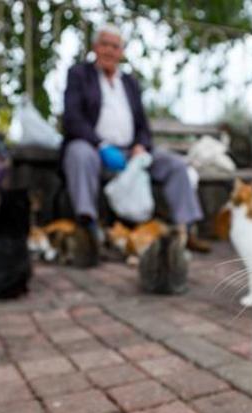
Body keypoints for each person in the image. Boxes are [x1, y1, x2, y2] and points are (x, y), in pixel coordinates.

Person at [61, 23, 210, 263]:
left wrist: (141, 145)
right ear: (95, 47)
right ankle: (88, 228)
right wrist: (100, 145)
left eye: (115, 46)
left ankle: (187, 229)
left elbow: (143, 125)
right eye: (105, 44)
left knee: (175, 165)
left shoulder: (129, 82)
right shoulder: (80, 74)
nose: (110, 50)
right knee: (78, 153)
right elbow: (73, 119)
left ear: (122, 52)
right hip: (94, 149)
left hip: (131, 151)